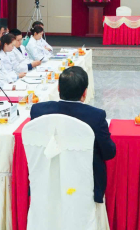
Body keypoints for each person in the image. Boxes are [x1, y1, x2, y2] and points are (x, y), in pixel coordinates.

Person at [31, 66, 116, 204]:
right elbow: (109, 153)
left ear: (58, 88)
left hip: (47, 181)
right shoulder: (96, 116)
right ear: (85, 92)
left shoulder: (38, 110)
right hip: (85, 186)